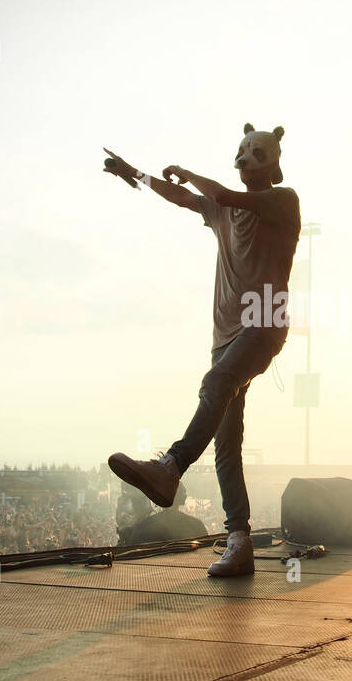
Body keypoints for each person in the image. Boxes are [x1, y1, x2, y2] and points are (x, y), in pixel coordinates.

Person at [103, 124, 300, 576]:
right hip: (226, 336)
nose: (248, 157)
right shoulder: (222, 209)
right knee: (227, 446)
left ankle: (170, 466)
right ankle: (239, 542)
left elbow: (222, 196)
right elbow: (184, 200)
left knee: (217, 383)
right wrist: (135, 174)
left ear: (272, 161)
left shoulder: (282, 201)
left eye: (257, 152)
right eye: (245, 149)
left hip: (263, 322)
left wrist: (190, 173)